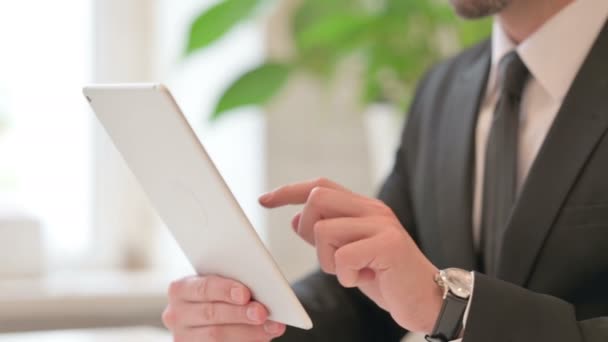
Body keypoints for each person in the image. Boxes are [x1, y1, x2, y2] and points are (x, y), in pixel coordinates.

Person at [162, 0, 608, 340]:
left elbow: (433, 300)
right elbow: (368, 294)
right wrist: (257, 319)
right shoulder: (444, 90)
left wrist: (453, 308)